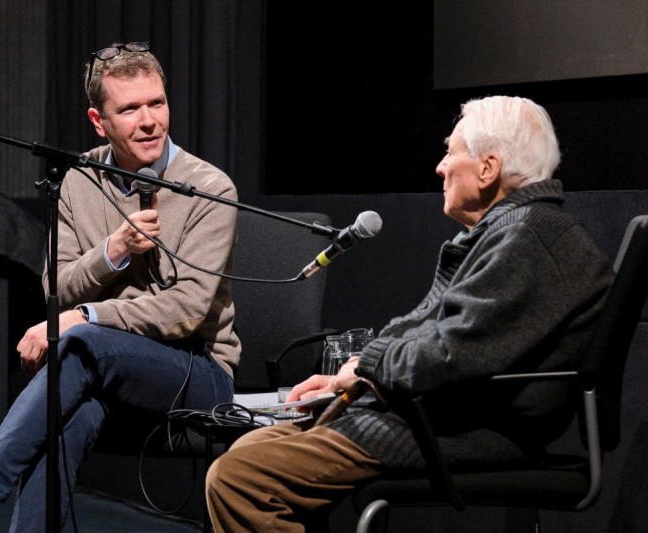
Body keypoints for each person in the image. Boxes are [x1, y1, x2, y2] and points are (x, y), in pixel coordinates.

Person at [0, 41, 240, 532]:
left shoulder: (209, 188)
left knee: (80, 343)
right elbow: (55, 287)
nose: (150, 121)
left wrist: (85, 317)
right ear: (98, 121)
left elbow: (187, 309)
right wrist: (112, 251)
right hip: (104, 370)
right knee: (65, 419)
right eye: (130, 109)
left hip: (198, 371)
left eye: (157, 103)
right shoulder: (79, 179)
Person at [205, 95, 615, 532]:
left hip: (459, 430)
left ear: (488, 168)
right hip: (434, 416)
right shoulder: (513, 232)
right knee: (249, 450)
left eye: (451, 152)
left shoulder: (529, 240)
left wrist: (368, 368)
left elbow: (452, 355)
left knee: (241, 479)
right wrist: (357, 375)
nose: (440, 167)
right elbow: (447, 341)